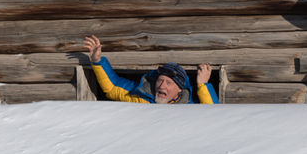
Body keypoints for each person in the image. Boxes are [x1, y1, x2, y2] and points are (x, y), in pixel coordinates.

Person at [83, 35, 218, 104]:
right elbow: (112, 89)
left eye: (169, 82)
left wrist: (203, 85)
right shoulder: (142, 95)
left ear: (179, 89)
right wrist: (97, 61)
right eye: (160, 80)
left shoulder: (189, 105)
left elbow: (213, 116)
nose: (161, 86)